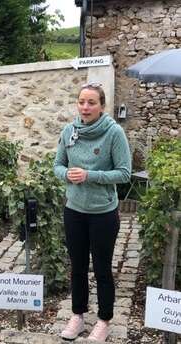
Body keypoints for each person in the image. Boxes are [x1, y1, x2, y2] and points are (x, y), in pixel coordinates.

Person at [53, 82, 131, 342]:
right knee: (77, 266)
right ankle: (77, 316)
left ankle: (104, 320)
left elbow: (124, 173)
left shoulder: (114, 133)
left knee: (102, 268)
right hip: (74, 210)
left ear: (102, 106)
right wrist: (67, 174)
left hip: (103, 214)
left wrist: (89, 175)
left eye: (91, 103)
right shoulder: (69, 131)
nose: (85, 107)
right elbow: (57, 166)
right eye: (81, 102)